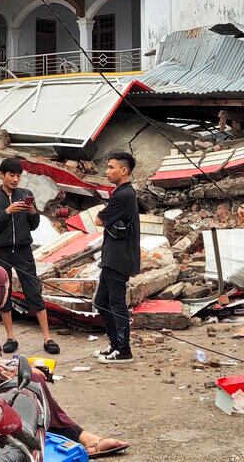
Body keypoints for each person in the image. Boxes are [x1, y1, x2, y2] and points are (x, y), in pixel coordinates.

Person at [0, 265, 129, 457]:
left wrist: (20, 366)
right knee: (33, 382)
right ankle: (83, 437)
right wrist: (20, 371)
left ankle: (76, 436)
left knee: (32, 376)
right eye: (6, 288)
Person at [0, 157, 58, 355]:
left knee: (33, 290)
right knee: (4, 294)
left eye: (18, 176)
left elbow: (33, 225)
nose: (15, 179)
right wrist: (7, 212)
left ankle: (47, 338)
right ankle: (10, 337)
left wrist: (33, 212)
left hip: (24, 249)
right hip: (2, 251)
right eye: (11, 175)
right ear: (2, 175)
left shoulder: (26, 194)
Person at [93, 151, 140, 366]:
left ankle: (124, 350)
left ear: (124, 170)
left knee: (117, 303)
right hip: (112, 256)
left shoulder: (124, 195)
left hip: (119, 258)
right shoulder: (121, 193)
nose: (108, 171)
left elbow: (99, 220)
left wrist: (106, 217)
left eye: (111, 167)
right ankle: (115, 344)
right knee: (101, 301)